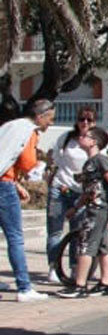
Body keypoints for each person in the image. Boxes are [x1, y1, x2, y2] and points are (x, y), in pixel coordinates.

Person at [55, 127, 108, 298]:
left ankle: (80, 285)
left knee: (85, 244)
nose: (81, 137)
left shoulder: (101, 160)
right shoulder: (90, 163)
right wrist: (76, 207)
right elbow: (89, 191)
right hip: (92, 207)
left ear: (93, 142)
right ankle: (106, 283)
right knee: (102, 246)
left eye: (85, 136)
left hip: (99, 209)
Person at [0, 99, 55, 301]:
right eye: (50, 119)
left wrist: (16, 183)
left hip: (6, 182)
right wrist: (41, 164)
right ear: (40, 116)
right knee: (15, 237)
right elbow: (27, 163)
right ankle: (24, 287)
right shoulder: (28, 131)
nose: (50, 123)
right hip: (4, 188)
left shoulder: (10, 126)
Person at [43, 107, 96, 284]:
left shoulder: (97, 141)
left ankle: (75, 267)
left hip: (80, 193)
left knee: (77, 232)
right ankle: (54, 267)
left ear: (94, 123)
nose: (85, 123)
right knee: (55, 231)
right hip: (60, 188)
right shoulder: (66, 138)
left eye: (89, 120)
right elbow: (53, 156)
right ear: (77, 121)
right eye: (82, 119)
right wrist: (50, 171)